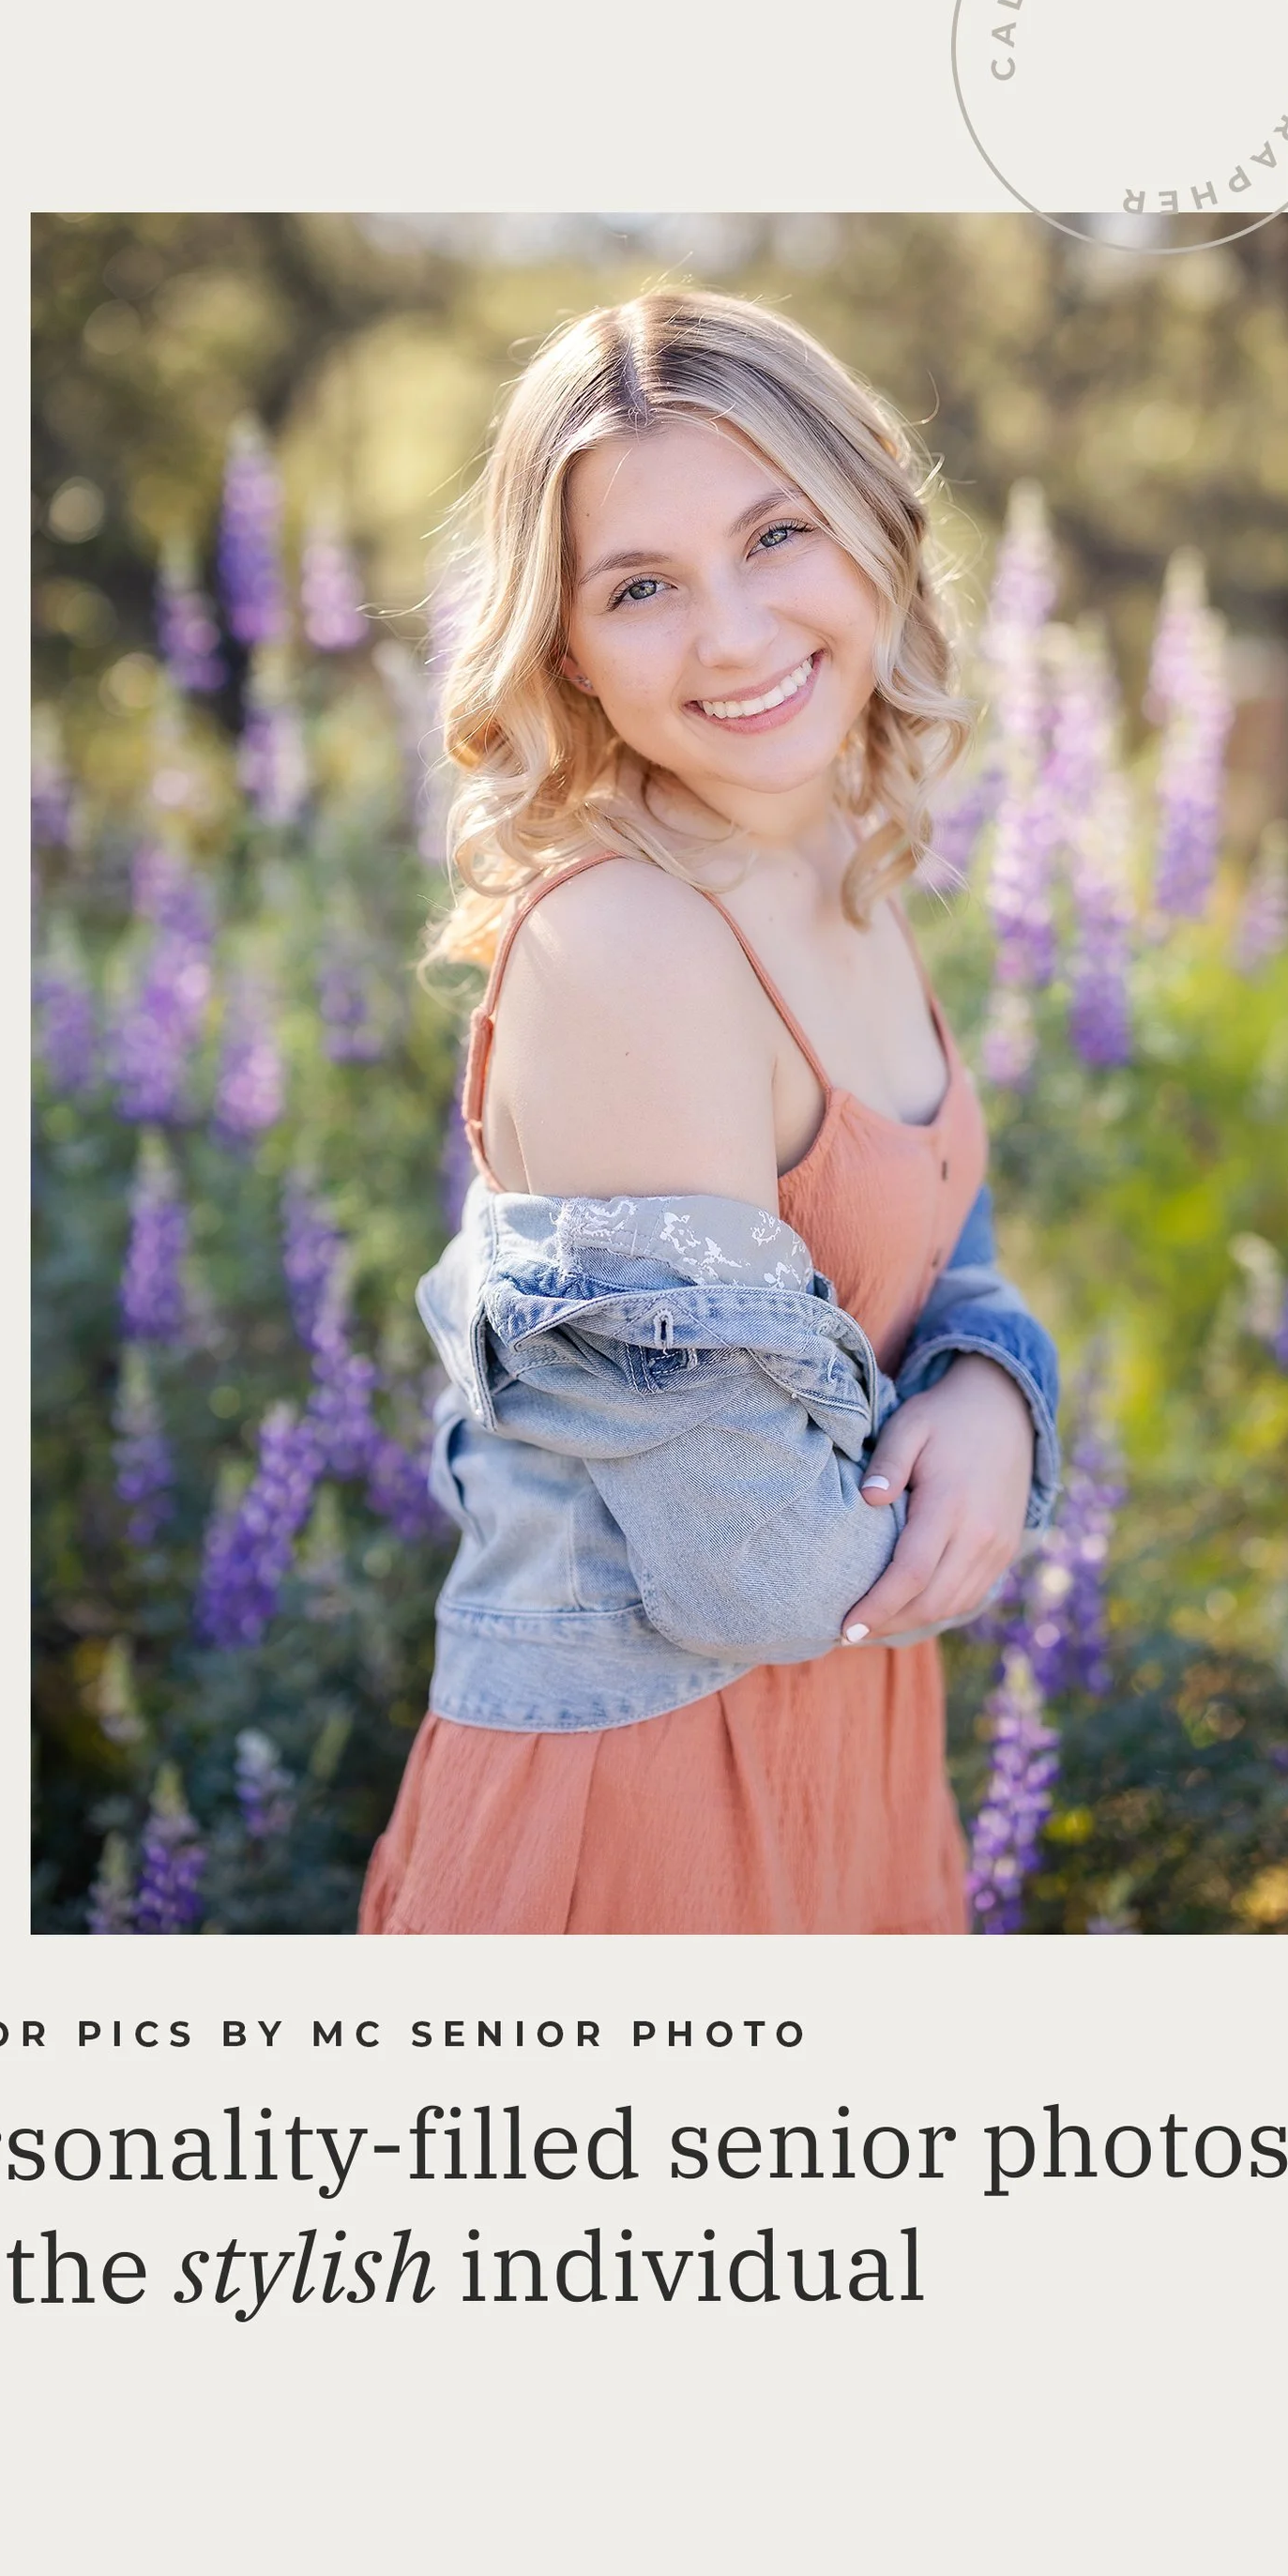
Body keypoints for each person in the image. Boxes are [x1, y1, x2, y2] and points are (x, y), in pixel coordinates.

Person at [358, 288, 1060, 1935]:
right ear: (568, 647)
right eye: (643, 587)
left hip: (855, 1771)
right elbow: (757, 1572)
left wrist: (991, 1386)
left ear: (878, 528)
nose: (732, 636)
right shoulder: (634, 941)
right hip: (645, 1816)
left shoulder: (838, 859)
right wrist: (985, 1429)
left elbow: (936, 1252)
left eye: (776, 535)